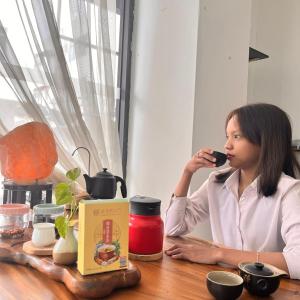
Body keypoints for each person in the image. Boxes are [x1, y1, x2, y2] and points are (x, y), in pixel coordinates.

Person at [165, 103, 300, 280]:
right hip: (221, 282)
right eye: (227, 136)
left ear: (264, 141)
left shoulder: (289, 191)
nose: (227, 145)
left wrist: (219, 254)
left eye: (236, 136)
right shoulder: (217, 182)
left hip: (267, 289)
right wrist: (187, 172)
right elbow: (173, 228)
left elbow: (297, 260)